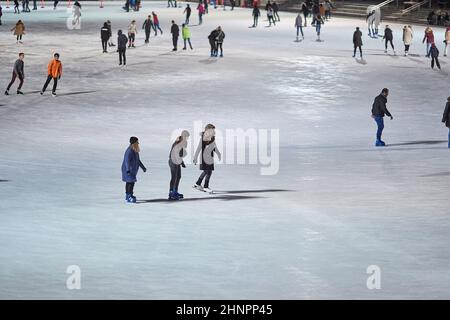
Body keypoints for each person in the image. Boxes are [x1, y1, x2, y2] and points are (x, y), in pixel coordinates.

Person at [193, 124, 221, 194]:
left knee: (207, 171)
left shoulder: (212, 137)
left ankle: (197, 184)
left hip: (210, 157)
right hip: (204, 157)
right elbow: (199, 148)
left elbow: (214, 147)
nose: (213, 131)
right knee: (208, 171)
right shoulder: (203, 138)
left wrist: (218, 153)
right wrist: (195, 157)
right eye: (212, 130)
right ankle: (206, 186)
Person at [121, 136, 147, 203]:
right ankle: (129, 195)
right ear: (133, 143)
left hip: (132, 170)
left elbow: (138, 161)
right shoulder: (129, 151)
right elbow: (127, 161)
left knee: (131, 182)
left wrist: (143, 167)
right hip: (128, 170)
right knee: (130, 183)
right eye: (137, 142)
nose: (138, 143)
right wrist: (127, 170)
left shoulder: (135, 150)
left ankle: (129, 195)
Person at [168, 131, 190, 200]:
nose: (187, 138)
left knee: (178, 176)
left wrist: (181, 162)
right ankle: (171, 192)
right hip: (173, 161)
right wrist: (181, 162)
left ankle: (175, 191)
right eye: (187, 137)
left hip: (177, 162)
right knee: (174, 177)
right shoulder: (178, 143)